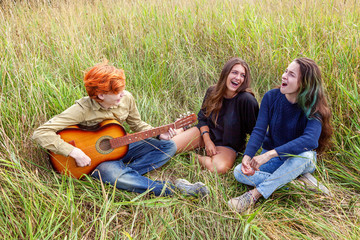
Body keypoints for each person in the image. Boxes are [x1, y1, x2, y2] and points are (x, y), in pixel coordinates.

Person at [32, 60, 209, 197]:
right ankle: (174, 189)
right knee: (111, 174)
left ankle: (124, 175)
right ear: (101, 95)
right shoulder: (82, 109)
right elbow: (40, 133)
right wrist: (75, 152)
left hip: (120, 147)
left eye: (122, 89)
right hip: (94, 160)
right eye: (117, 92)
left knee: (169, 146)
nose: (123, 94)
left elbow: (138, 125)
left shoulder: (126, 98)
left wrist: (158, 133)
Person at [228, 57, 333, 213]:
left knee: (307, 156)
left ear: (304, 83)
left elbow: (310, 140)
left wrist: (270, 154)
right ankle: (296, 182)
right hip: (276, 160)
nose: (284, 76)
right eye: (285, 71)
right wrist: (248, 156)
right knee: (239, 172)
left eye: (291, 74)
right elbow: (259, 130)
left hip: (298, 159)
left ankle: (254, 195)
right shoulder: (271, 97)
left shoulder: (314, 106)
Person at [172, 57, 259, 174]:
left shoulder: (247, 100)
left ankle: (191, 155)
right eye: (234, 72)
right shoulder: (212, 91)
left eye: (243, 75)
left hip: (227, 145)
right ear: (226, 73)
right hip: (204, 134)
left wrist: (249, 156)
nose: (238, 78)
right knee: (170, 147)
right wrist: (207, 141)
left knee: (218, 168)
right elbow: (202, 118)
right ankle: (184, 136)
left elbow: (256, 131)